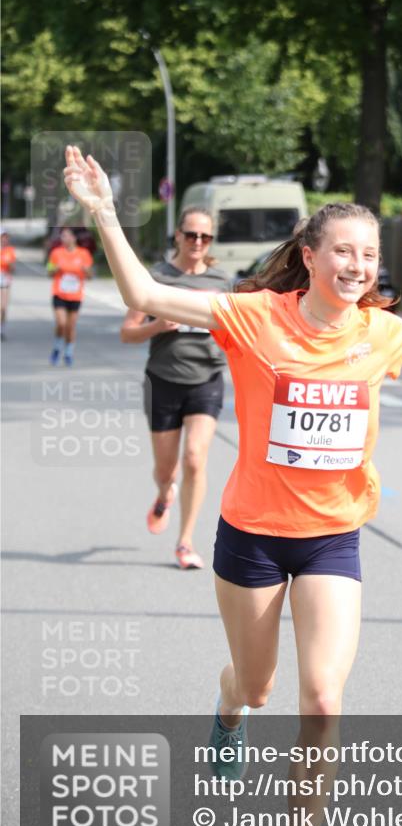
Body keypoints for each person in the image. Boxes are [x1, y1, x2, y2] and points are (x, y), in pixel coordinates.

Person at [63, 144, 402, 826]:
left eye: (368, 254)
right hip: (254, 539)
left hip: (332, 539)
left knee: (323, 699)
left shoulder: (379, 330)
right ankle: (228, 709)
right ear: (309, 255)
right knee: (258, 684)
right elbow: (143, 287)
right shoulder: (251, 317)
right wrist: (104, 212)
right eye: (343, 251)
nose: (357, 266)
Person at [120, 209, 230, 570]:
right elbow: (127, 332)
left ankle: (184, 542)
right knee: (166, 470)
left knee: (196, 458)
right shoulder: (158, 279)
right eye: (191, 235)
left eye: (206, 237)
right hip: (163, 380)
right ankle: (166, 492)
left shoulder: (222, 282)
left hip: (207, 379)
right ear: (178, 236)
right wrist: (158, 327)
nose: (198, 242)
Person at [47, 226, 94, 365]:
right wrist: (55, 269)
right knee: (61, 324)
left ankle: (68, 352)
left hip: (75, 296)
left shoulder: (83, 253)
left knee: (70, 327)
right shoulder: (56, 253)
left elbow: (90, 276)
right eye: (62, 236)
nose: (64, 238)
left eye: (66, 236)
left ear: (74, 238)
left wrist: (86, 271)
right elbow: (49, 272)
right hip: (59, 293)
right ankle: (56, 347)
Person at [0, 231, 17, 339]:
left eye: (7, 237)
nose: (5, 239)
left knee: (3, 307)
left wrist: (11, 266)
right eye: (3, 237)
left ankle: (2, 329)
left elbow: (13, 269)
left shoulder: (10, 251)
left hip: (5, 281)